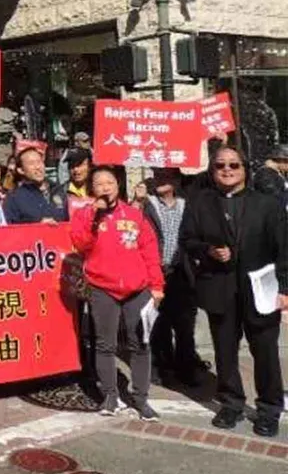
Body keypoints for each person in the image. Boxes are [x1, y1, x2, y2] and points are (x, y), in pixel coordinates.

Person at [179, 146, 288, 437]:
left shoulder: (268, 204)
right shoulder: (200, 202)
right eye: (220, 165)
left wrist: (286, 288)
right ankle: (231, 403)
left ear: (245, 169)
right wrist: (209, 251)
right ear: (212, 171)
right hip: (220, 287)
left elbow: (284, 249)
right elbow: (187, 240)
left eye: (234, 165)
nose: (227, 170)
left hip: (261, 290)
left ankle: (268, 409)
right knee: (225, 352)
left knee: (265, 353)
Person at [70, 166, 164, 420]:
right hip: (103, 288)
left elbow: (150, 252)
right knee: (105, 344)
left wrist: (157, 286)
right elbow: (81, 244)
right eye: (99, 183)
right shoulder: (83, 215)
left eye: (109, 182)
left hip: (138, 289)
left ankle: (141, 398)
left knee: (140, 344)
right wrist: (94, 216)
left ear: (118, 186)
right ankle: (110, 396)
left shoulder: (134, 214)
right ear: (92, 189)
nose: (105, 187)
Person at [146, 168, 200, 385]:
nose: (160, 180)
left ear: (177, 181)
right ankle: (163, 367)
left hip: (181, 271)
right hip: (155, 271)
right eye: (158, 176)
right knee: (159, 323)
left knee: (185, 323)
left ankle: (186, 367)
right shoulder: (146, 205)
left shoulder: (188, 205)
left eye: (166, 176)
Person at [3, 148, 67, 224]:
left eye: (39, 162)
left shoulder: (58, 190)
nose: (37, 167)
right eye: (31, 163)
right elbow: (10, 230)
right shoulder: (14, 197)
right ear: (21, 170)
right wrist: (37, 228)